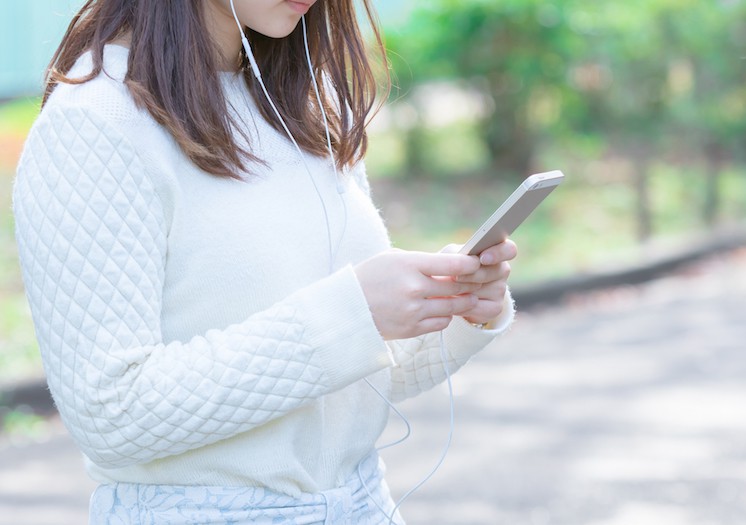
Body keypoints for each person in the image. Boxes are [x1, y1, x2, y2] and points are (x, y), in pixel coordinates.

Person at [13, 0, 517, 523]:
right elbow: (111, 415)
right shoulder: (97, 124)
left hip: (364, 505)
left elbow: (338, 385)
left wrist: (453, 307)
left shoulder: (304, 101)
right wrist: (352, 315)